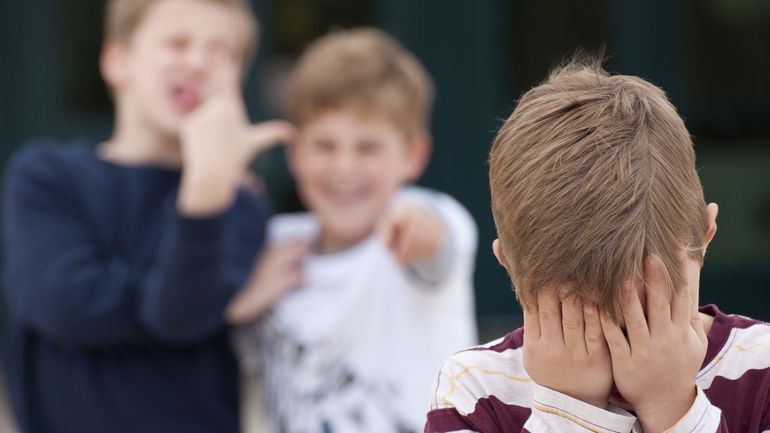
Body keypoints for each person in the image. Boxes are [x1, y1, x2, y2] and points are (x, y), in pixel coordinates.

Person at [424, 58, 770, 433]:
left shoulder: (762, 369)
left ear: (703, 236)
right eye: (583, 313)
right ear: (508, 263)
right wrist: (571, 411)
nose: (628, 350)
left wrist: (672, 407)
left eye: (647, 306)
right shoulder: (475, 389)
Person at [1, 0, 293, 432]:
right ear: (117, 61)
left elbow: (180, 314)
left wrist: (206, 188)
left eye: (221, 52)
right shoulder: (48, 176)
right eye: (177, 43)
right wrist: (220, 308)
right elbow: (64, 305)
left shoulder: (239, 206)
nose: (197, 62)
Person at [228, 28, 478, 433]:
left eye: (368, 148)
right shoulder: (276, 244)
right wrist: (241, 301)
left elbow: (437, 241)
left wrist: (417, 226)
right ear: (294, 153)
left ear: (413, 155)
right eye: (324, 146)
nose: (344, 167)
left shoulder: (422, 218)